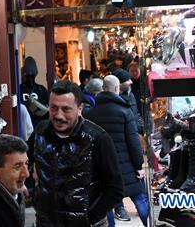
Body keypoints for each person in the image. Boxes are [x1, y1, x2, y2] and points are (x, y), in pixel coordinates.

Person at [28, 80, 124, 227]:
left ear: (80, 109)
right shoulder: (40, 132)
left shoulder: (98, 139)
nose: (58, 115)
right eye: (54, 108)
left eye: (66, 109)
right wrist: (32, 195)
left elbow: (115, 189)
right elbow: (23, 160)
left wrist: (89, 218)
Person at [85, 76, 149, 227]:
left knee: (106, 205)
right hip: (126, 167)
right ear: (116, 89)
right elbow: (133, 142)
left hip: (101, 168)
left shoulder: (90, 114)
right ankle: (149, 224)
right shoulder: (125, 112)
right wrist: (139, 165)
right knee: (139, 198)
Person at [20, 56, 49, 128]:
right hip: (26, 126)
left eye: (31, 76)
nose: (30, 78)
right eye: (28, 76)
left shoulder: (41, 90)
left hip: (37, 126)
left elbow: (47, 111)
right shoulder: (41, 89)